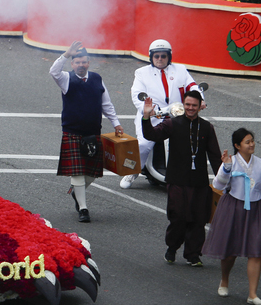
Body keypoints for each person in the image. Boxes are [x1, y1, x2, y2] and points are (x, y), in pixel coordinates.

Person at [202, 128, 261, 305]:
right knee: (230, 252)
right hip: (233, 207)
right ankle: (224, 280)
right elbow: (218, 185)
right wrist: (226, 167)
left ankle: (252, 294)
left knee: (256, 252)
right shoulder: (230, 162)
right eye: (247, 142)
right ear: (237, 146)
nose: (252, 144)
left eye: (252, 140)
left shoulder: (260, 164)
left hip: (255, 210)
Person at [142, 90, 221, 266]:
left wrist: (224, 181)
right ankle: (172, 248)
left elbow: (215, 156)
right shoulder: (172, 123)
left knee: (198, 219)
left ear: (200, 106)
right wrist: (146, 117)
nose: (190, 108)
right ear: (183, 105)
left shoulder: (207, 127)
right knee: (178, 217)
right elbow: (151, 135)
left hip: (199, 182)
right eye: (187, 105)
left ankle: (193, 255)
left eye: (194, 105)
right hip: (177, 180)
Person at [50, 41, 124, 222]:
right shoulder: (66, 79)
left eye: (84, 62)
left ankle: (77, 193)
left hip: (92, 132)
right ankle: (83, 209)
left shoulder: (97, 79)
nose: (81, 65)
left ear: (89, 62)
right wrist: (67, 53)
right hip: (72, 132)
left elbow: (106, 103)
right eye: (77, 62)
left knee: (92, 173)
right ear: (72, 64)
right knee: (77, 172)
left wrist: (116, 123)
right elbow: (53, 71)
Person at [122, 39, 201, 189]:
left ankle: (189, 173)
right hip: (153, 117)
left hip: (176, 116)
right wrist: (147, 109)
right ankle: (132, 170)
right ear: (151, 57)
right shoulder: (141, 73)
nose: (159, 59)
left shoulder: (180, 70)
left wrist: (200, 99)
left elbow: (192, 86)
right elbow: (137, 94)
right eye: (156, 56)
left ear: (169, 57)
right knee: (144, 144)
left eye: (163, 56)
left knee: (192, 142)